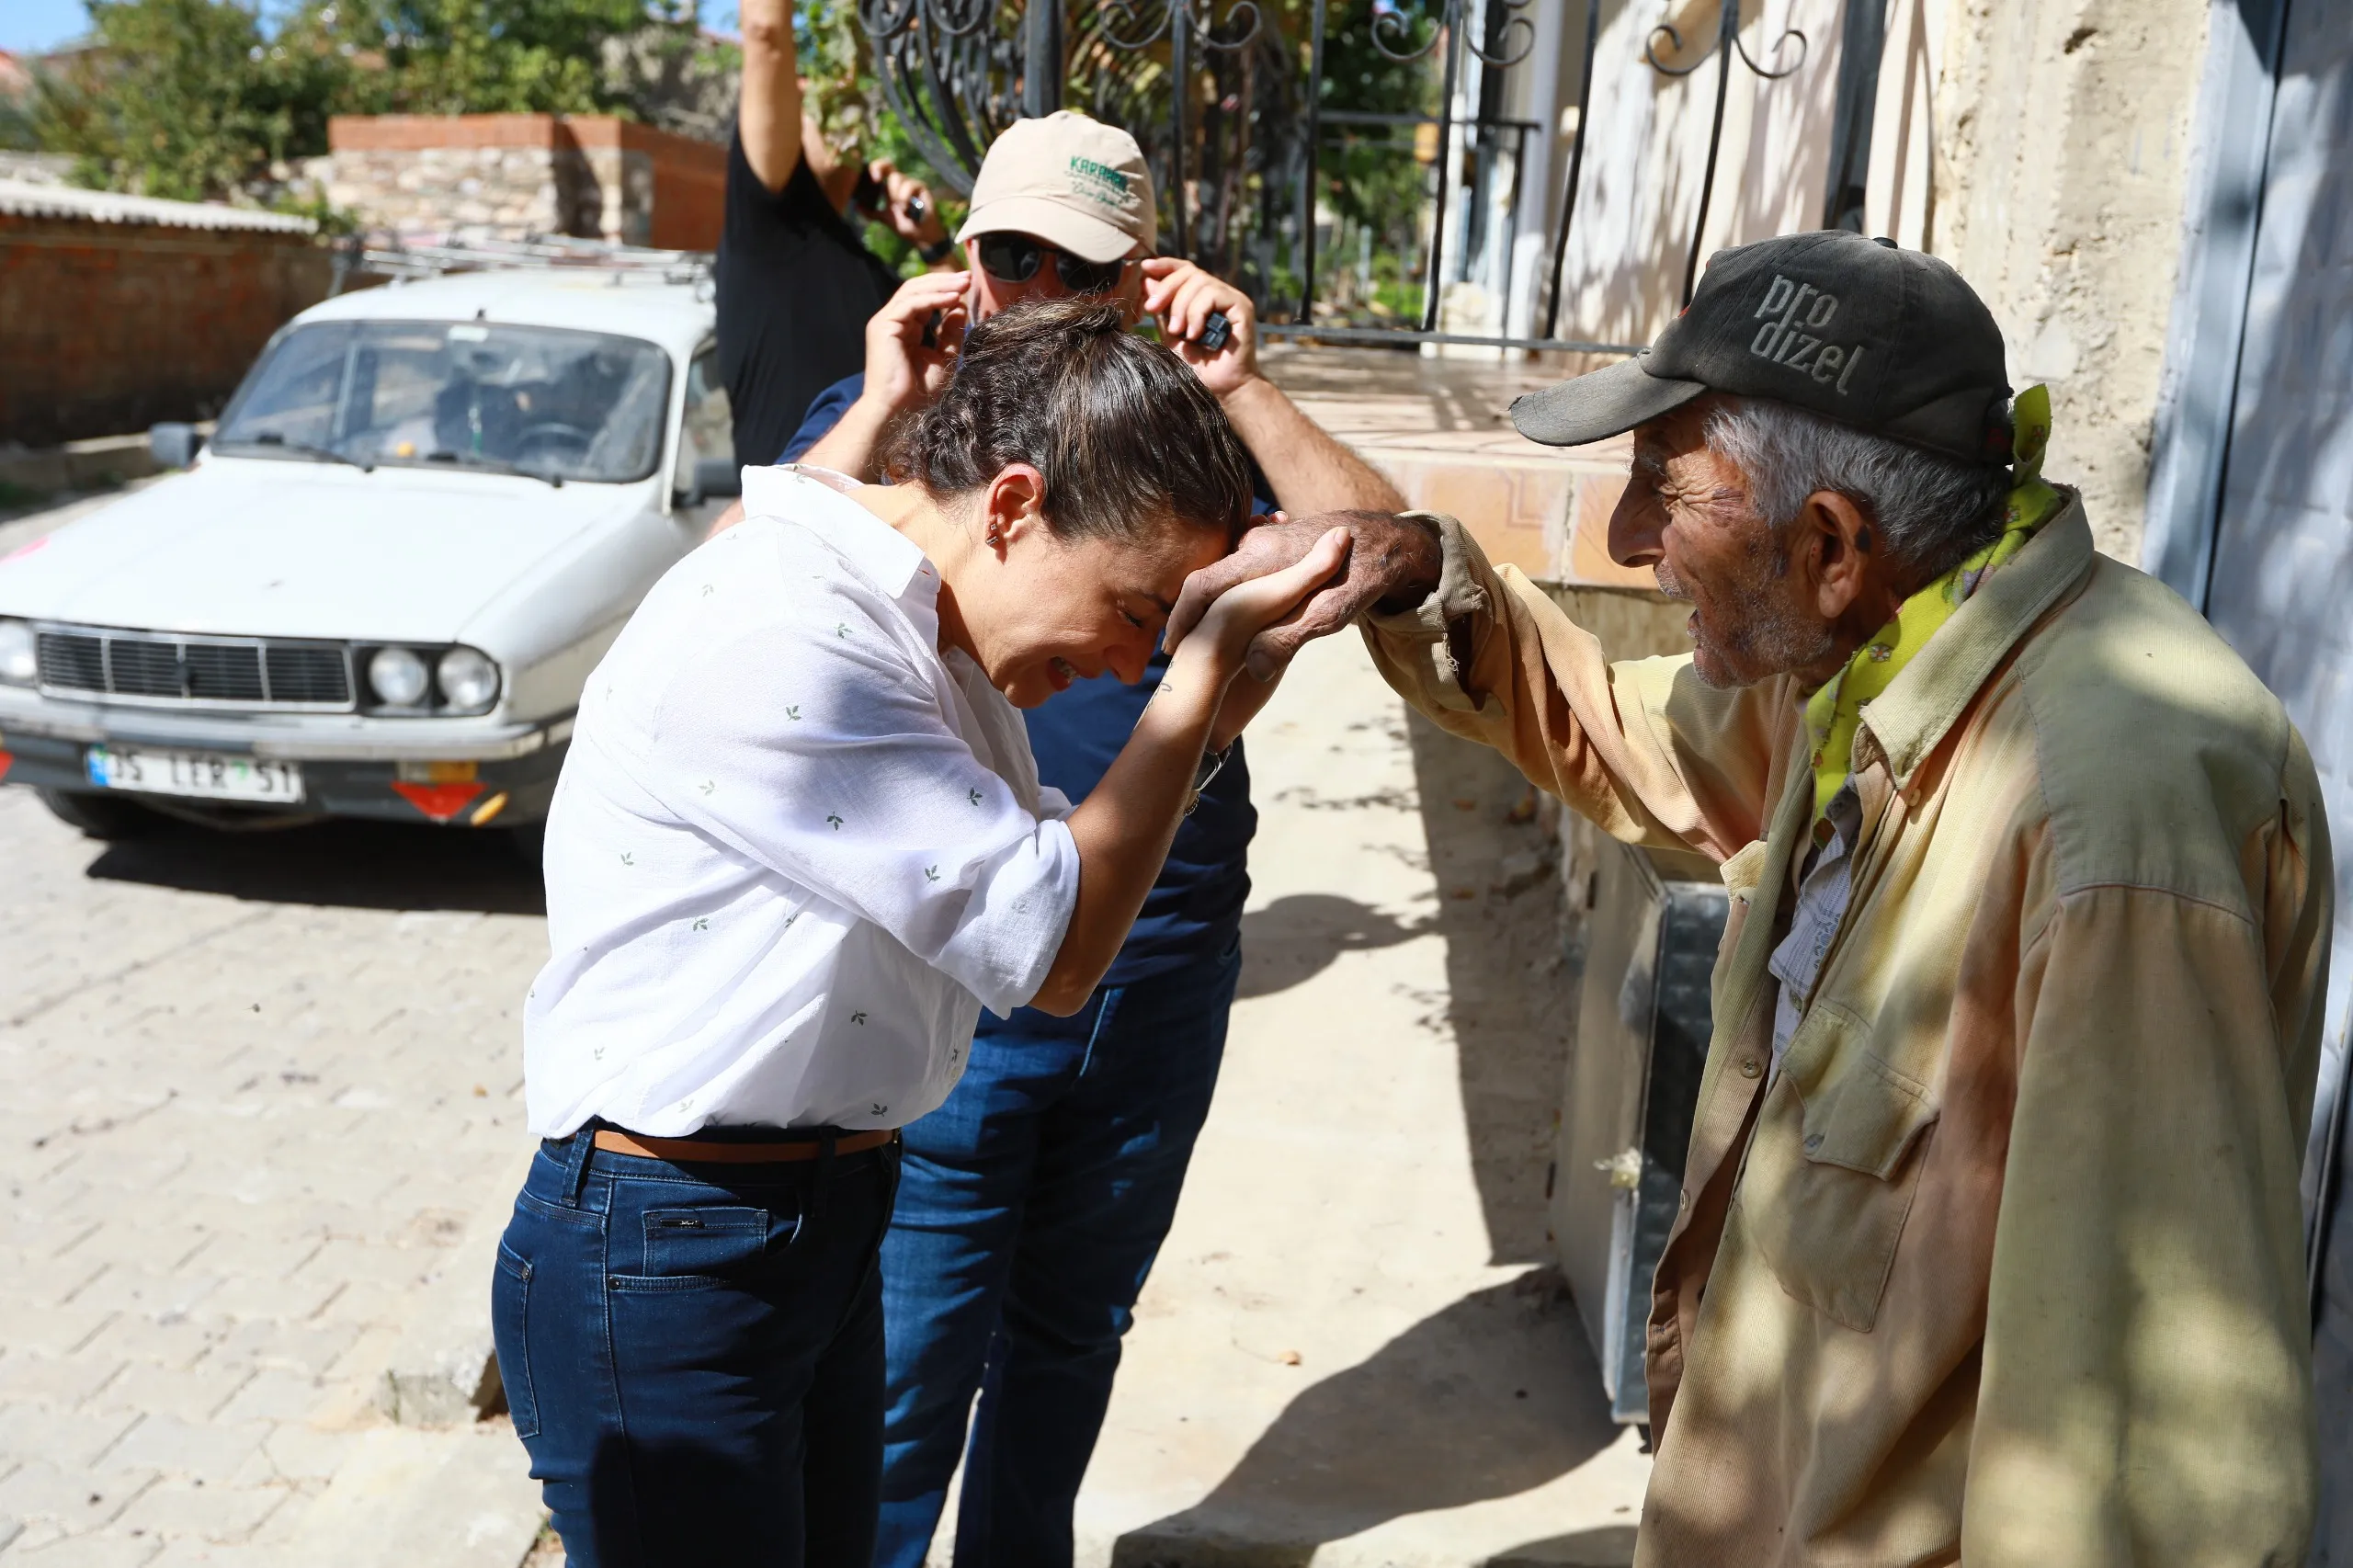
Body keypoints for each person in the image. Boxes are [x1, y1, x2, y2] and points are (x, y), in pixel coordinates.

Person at [1173, 231, 2331, 1563]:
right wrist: (1424, 573)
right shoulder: (1874, 656)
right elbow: (1628, 731)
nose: (1626, 541)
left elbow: (2142, 1471)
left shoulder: (2112, 820)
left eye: (1667, 491)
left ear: (1832, 541)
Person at [493, 298, 1347, 1568]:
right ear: (1012, 504)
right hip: (672, 1247)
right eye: (1134, 608)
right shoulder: (799, 638)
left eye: (1157, 633)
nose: (1129, 662)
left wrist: (1209, 699)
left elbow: (1056, 868)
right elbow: (1057, 952)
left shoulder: (921, 635)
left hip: (798, 1219)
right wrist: (1198, 682)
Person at [751, 110, 1409, 1568]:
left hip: (1160, 963)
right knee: (912, 1359)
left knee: (1074, 1331)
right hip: (968, 974)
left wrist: (1246, 386)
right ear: (966, 259)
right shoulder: (898, 425)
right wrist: (874, 396)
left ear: (1138, 280)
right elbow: (750, 595)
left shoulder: (1185, 440)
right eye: (1013, 252)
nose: (1040, 284)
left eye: (1082, 263)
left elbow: (1379, 548)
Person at [715, 0, 952, 470]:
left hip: (879, 532)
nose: (830, 99)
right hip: (782, 528)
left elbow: (959, 347)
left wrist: (934, 244)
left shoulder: (874, 273)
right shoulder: (770, 225)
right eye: (806, 96)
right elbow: (766, 31)